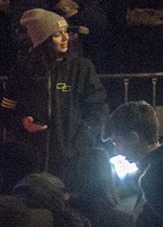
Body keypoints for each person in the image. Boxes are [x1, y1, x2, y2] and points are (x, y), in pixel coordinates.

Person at [2, 9, 107, 175]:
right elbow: (7, 111)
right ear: (43, 40)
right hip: (31, 160)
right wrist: (22, 124)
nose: (66, 38)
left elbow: (98, 107)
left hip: (72, 160)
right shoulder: (22, 70)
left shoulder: (81, 68)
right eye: (57, 34)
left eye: (66, 32)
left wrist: (83, 140)